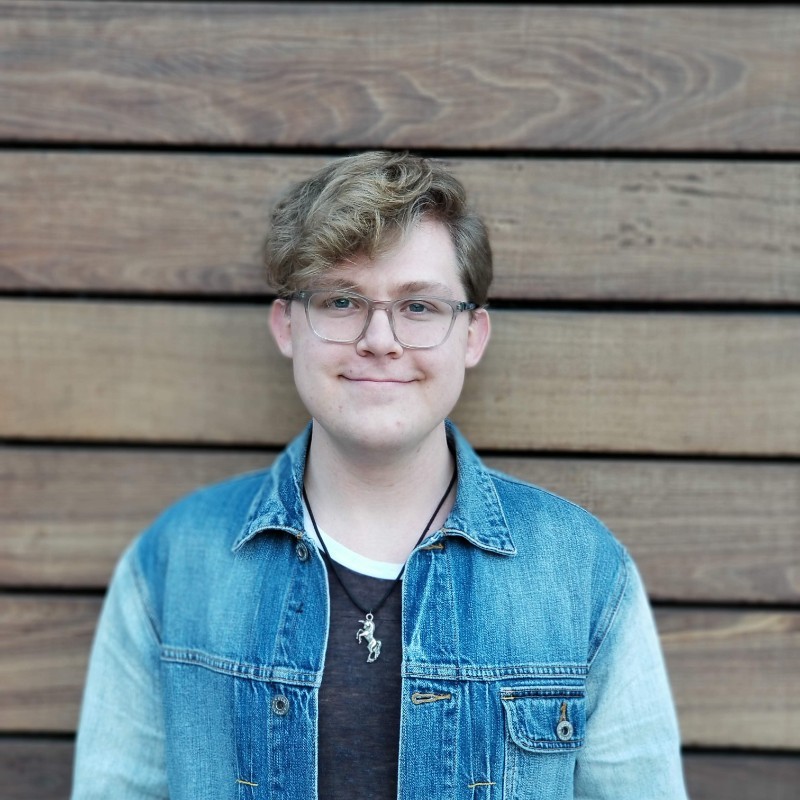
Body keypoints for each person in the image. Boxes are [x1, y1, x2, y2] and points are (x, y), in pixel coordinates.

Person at [72, 151, 687, 799]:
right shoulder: (176, 561)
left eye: (419, 307)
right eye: (341, 301)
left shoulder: (580, 570)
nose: (379, 338)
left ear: (472, 335)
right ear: (288, 325)